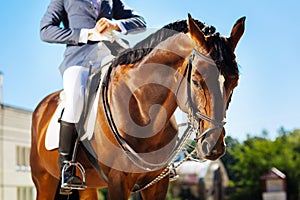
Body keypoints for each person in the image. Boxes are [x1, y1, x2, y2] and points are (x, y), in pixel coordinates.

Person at [40, 0, 146, 193]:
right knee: (76, 99)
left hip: (114, 57)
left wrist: (116, 24)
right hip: (79, 60)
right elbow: (46, 31)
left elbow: (140, 22)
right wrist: (86, 34)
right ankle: (67, 166)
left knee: (144, 89)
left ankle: (153, 160)